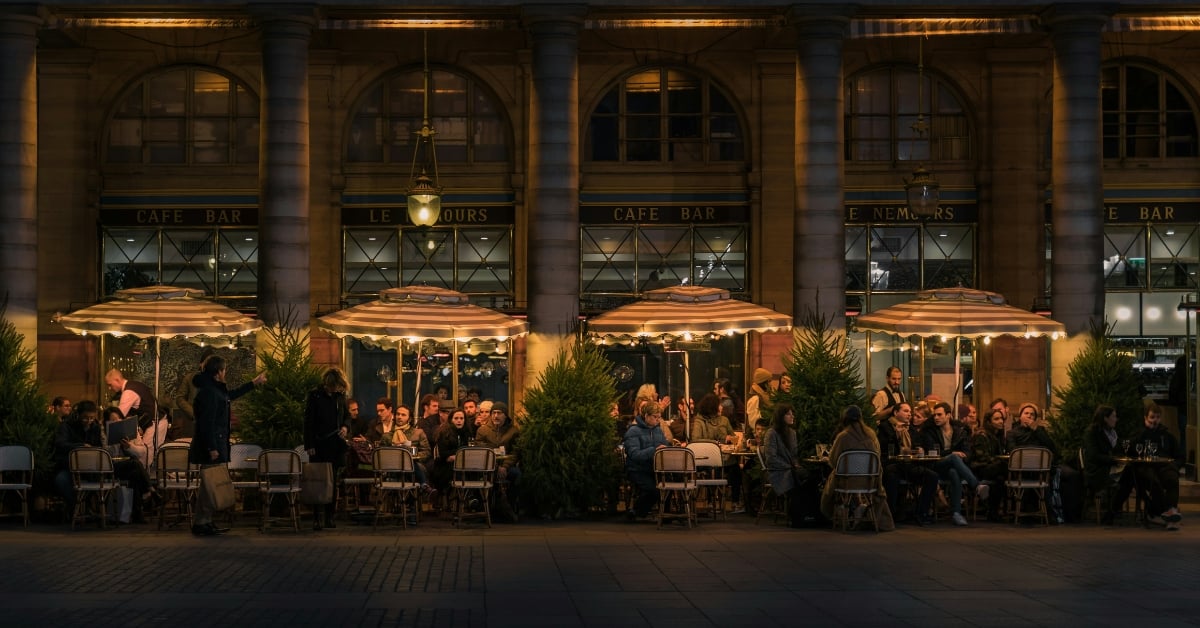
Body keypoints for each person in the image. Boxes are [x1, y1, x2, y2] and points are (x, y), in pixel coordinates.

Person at [190, 355, 265, 536]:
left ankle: (203, 521)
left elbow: (229, 396)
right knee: (210, 486)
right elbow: (206, 423)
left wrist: (253, 384)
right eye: (224, 371)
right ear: (218, 372)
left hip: (216, 443)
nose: (226, 374)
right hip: (212, 447)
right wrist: (212, 448)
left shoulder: (214, 389)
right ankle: (201, 522)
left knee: (208, 486)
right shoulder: (209, 392)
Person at [820, 405, 895, 531]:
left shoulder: (843, 437)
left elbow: (833, 462)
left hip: (847, 482)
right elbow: (877, 457)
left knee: (833, 479)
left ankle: (842, 513)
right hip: (869, 482)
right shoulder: (871, 435)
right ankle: (860, 507)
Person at [918, 401, 983, 526]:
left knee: (954, 472)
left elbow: (968, 453)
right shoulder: (930, 431)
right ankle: (976, 485)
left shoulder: (960, 431)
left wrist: (959, 457)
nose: (936, 418)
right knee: (953, 457)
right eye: (934, 415)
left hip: (955, 467)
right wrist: (952, 453)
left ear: (948, 415)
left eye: (939, 415)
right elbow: (933, 452)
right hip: (936, 465)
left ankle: (956, 514)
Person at [303, 367, 351, 530]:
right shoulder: (315, 396)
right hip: (319, 443)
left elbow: (347, 416)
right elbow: (308, 421)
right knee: (318, 481)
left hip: (335, 443)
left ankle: (330, 516)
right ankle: (317, 517)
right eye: (333, 387)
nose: (334, 389)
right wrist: (309, 444)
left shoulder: (340, 397)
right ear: (327, 384)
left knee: (333, 482)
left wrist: (345, 426)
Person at [879, 401, 938, 525]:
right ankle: (892, 514)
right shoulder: (885, 427)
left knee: (932, 476)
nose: (909, 414)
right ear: (896, 412)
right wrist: (897, 435)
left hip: (909, 464)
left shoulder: (910, 428)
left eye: (910, 412)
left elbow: (917, 443)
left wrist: (919, 449)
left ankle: (921, 512)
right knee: (891, 474)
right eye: (906, 411)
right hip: (893, 464)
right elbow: (885, 448)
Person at [1128, 403, 1184, 530]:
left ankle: (1170, 512)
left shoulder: (1166, 435)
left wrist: (1175, 466)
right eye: (1152, 417)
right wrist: (1143, 433)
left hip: (1164, 466)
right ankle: (1165, 512)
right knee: (1155, 483)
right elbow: (1130, 450)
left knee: (1172, 478)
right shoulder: (1139, 433)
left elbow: (1180, 455)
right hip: (1145, 467)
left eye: (1157, 417)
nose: (1155, 421)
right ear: (1145, 418)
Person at [1083, 405, 1134, 525]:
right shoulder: (1092, 432)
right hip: (1097, 471)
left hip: (1108, 467)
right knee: (1129, 475)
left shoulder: (1112, 433)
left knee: (1131, 474)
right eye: (1114, 416)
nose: (1116, 419)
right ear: (1105, 418)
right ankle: (1112, 512)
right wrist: (1115, 460)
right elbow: (1093, 456)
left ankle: (1112, 512)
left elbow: (1116, 450)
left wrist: (1122, 456)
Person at [53, 399, 102, 519]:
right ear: (78, 415)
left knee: (98, 480)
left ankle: (86, 506)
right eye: (85, 418)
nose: (88, 421)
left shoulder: (95, 427)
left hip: (89, 467)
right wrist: (80, 446)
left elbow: (99, 446)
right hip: (69, 466)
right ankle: (76, 505)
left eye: (91, 418)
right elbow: (60, 444)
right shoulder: (67, 426)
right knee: (61, 480)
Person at [623, 399, 670, 521]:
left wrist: (668, 448)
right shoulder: (633, 431)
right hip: (637, 469)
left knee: (670, 483)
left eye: (659, 417)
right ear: (646, 416)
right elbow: (634, 455)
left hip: (655, 468)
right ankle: (636, 512)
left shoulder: (658, 430)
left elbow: (664, 445)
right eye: (655, 417)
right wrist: (654, 450)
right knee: (653, 490)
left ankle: (666, 513)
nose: (658, 420)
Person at [970, 408, 1008, 521]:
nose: (1000, 421)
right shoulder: (981, 435)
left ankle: (993, 512)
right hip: (980, 468)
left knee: (1000, 479)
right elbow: (982, 457)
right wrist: (999, 460)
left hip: (993, 468)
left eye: (1001, 418)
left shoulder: (998, 436)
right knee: (1004, 467)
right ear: (989, 422)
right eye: (996, 419)